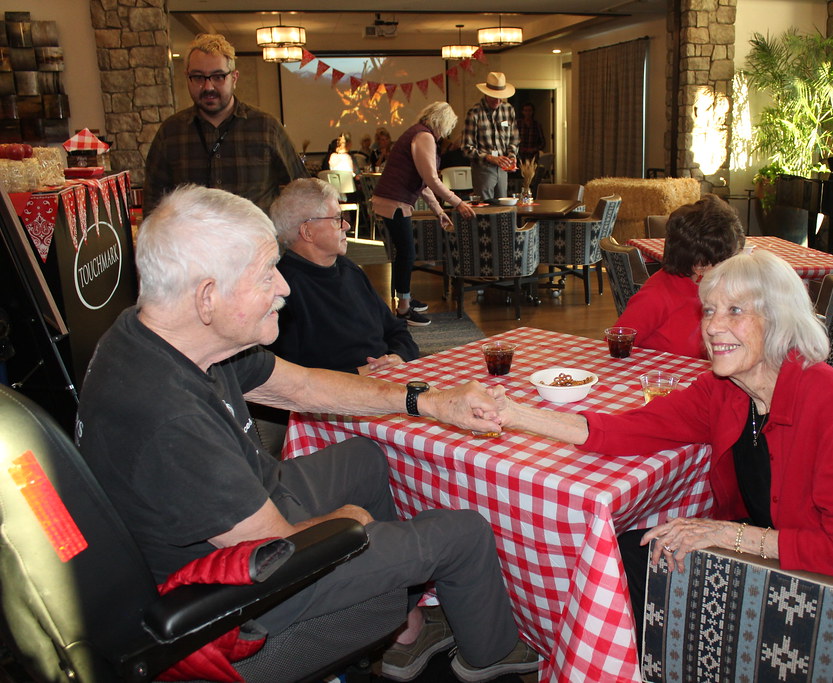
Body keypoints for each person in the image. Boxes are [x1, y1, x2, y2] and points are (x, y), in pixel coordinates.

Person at [75, 185, 538, 683]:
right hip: (241, 593)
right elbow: (276, 551)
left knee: (366, 456)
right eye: (265, 274)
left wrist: (424, 401)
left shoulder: (166, 333)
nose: (285, 286)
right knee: (462, 533)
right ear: (208, 296)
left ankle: (405, 627)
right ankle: (490, 655)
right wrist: (351, 522)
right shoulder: (167, 418)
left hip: (249, 509)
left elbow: (302, 387)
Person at [489, 249, 833, 637]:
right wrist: (516, 414)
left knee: (638, 568)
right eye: (709, 310)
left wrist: (726, 536)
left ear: (779, 319)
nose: (712, 326)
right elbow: (629, 428)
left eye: (735, 311)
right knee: (624, 555)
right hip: (777, 553)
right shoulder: (725, 389)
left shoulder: (831, 407)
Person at [143, 33, 307, 215]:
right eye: (198, 77)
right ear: (187, 77)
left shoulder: (267, 128)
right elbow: (154, 201)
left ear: (234, 78)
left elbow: (301, 189)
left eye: (218, 76)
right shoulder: (171, 132)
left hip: (256, 242)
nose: (208, 87)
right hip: (193, 242)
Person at [269, 177, 418, 375]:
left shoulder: (349, 270)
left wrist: (397, 357)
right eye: (337, 219)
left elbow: (396, 330)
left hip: (387, 379)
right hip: (338, 399)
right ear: (307, 231)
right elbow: (289, 378)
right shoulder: (283, 289)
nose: (346, 225)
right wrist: (358, 374)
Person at [372, 102, 476, 326]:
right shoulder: (424, 137)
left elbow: (423, 183)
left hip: (392, 200)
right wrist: (457, 203)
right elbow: (431, 179)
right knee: (407, 253)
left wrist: (439, 210)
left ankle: (405, 298)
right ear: (442, 122)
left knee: (405, 252)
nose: (446, 134)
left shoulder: (418, 133)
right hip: (394, 202)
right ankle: (403, 309)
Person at [615, 194, 745, 359]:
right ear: (700, 265)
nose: (737, 265)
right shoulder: (656, 296)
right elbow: (615, 347)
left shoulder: (719, 289)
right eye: (730, 260)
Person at [463, 72, 520, 200]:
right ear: (486, 93)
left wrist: (511, 157)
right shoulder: (474, 113)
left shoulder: (508, 110)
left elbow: (514, 140)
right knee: (485, 211)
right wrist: (489, 158)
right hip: (483, 168)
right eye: (495, 97)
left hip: (503, 169)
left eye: (501, 97)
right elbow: (466, 148)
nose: (498, 101)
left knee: (503, 208)